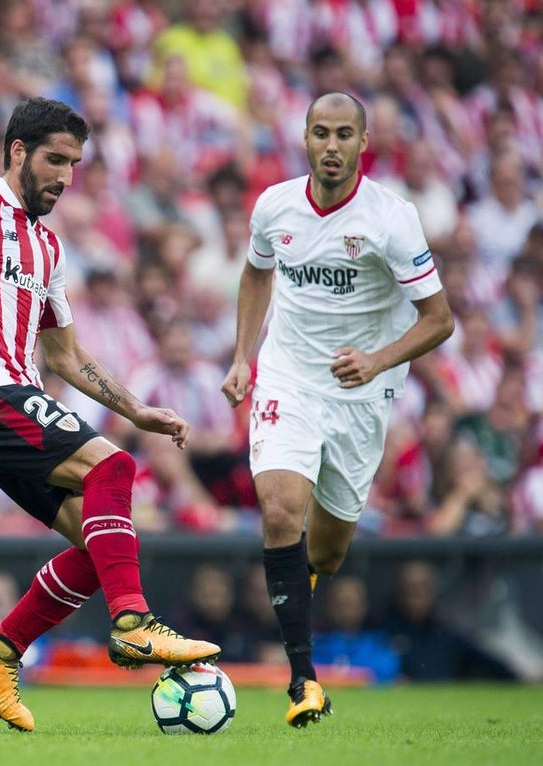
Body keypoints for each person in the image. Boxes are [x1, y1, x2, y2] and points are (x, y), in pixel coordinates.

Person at [0, 97, 220, 733]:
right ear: (18, 151)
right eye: (55, 159)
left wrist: (137, 408)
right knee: (114, 470)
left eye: (75, 164)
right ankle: (133, 623)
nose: (65, 176)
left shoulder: (49, 248)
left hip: (10, 400)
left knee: (100, 542)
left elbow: (66, 356)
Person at [220, 92, 455, 728]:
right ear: (304, 137)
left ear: (362, 142)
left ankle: (298, 596)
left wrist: (378, 360)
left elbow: (439, 319)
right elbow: (256, 274)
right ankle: (304, 680)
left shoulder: (392, 219)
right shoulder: (274, 206)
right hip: (288, 378)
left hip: (359, 393)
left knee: (325, 555)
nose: (331, 145)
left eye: (344, 134)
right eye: (320, 132)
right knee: (279, 511)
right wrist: (243, 356)